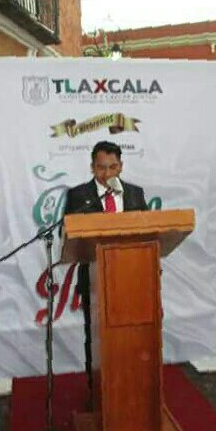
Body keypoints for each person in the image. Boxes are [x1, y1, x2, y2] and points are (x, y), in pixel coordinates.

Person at [64, 141, 148, 393]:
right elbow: (70, 235)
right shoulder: (78, 196)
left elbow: (147, 232)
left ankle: (132, 388)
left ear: (121, 166)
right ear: (92, 167)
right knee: (96, 337)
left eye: (113, 167)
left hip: (132, 278)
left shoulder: (135, 194)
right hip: (94, 279)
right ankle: (97, 391)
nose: (107, 173)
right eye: (101, 168)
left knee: (132, 335)